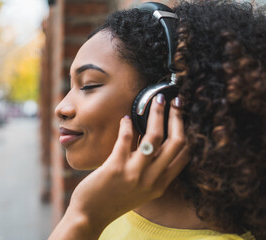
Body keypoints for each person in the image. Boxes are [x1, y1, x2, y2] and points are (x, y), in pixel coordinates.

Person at [49, 0, 266, 239]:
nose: (62, 107)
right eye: (71, 87)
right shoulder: (112, 207)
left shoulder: (95, 212)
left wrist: (83, 217)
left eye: (89, 85)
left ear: (158, 100)